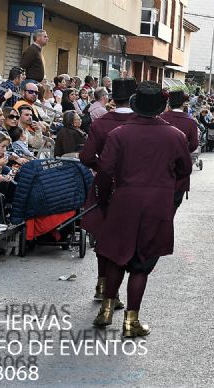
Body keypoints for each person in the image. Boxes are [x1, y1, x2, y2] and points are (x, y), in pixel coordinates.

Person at [90, 81, 193, 337]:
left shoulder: (119, 134)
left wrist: (105, 199)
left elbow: (104, 171)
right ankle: (131, 321)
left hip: (124, 200)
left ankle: (105, 310)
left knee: (115, 256)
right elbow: (185, 170)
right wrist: (169, 194)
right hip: (157, 204)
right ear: (162, 106)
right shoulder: (175, 136)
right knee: (141, 264)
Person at [80, 78, 137, 308]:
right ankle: (112, 292)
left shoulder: (101, 122)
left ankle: (101, 284)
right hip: (131, 189)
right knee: (124, 242)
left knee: (103, 236)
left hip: (103, 184)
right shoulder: (140, 122)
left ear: (113, 98)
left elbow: (85, 157)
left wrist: (100, 167)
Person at [158, 89, 200, 207]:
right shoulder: (190, 121)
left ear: (169, 104)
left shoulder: (160, 117)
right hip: (180, 166)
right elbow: (194, 145)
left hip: (160, 164)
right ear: (183, 104)